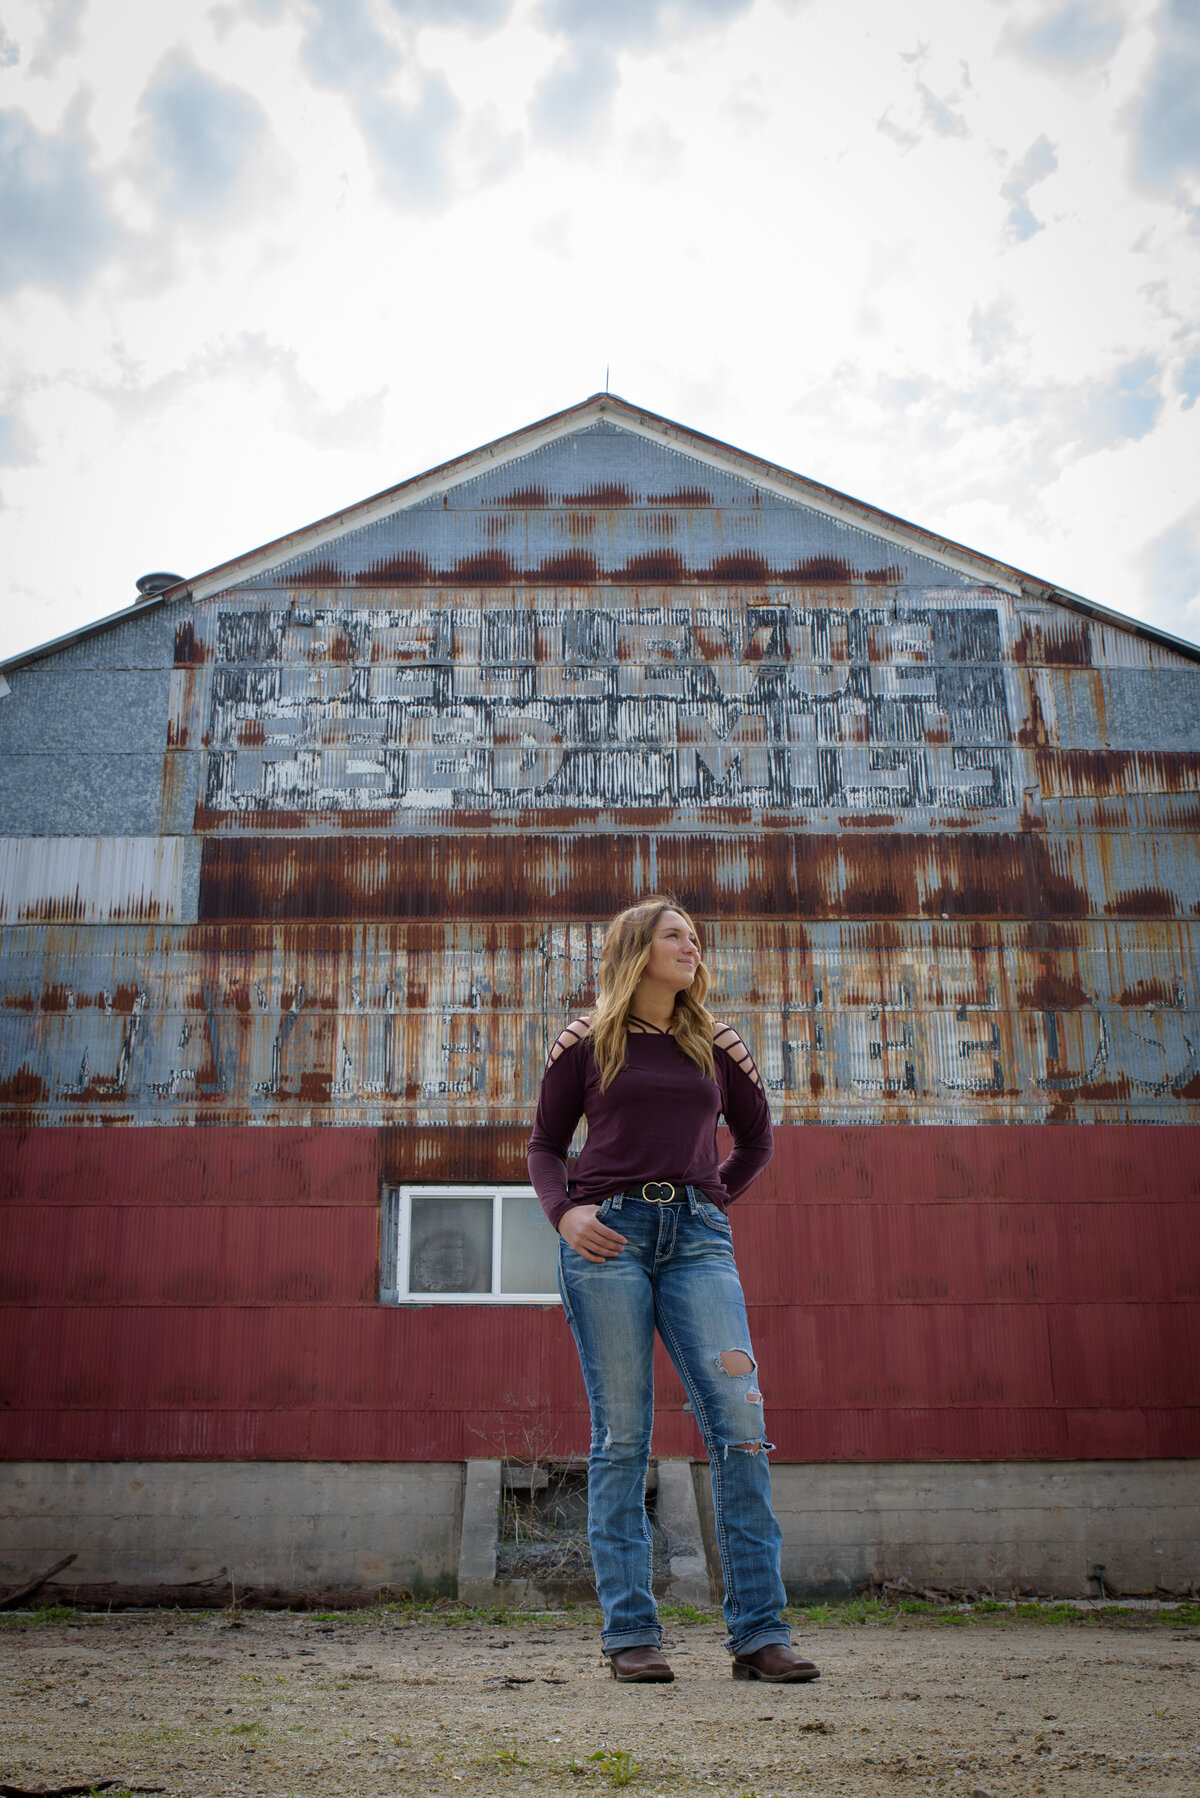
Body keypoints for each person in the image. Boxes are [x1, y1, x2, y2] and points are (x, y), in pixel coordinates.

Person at [527, 897, 820, 1686]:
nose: (691, 946)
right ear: (635, 949)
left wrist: (708, 1197)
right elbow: (545, 1147)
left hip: (697, 1243)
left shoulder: (716, 1041)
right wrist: (564, 1215)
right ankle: (631, 1635)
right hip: (608, 1241)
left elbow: (758, 1140)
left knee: (741, 1426)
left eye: (695, 938)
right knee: (623, 1437)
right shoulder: (585, 1040)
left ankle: (761, 1634)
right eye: (673, 936)